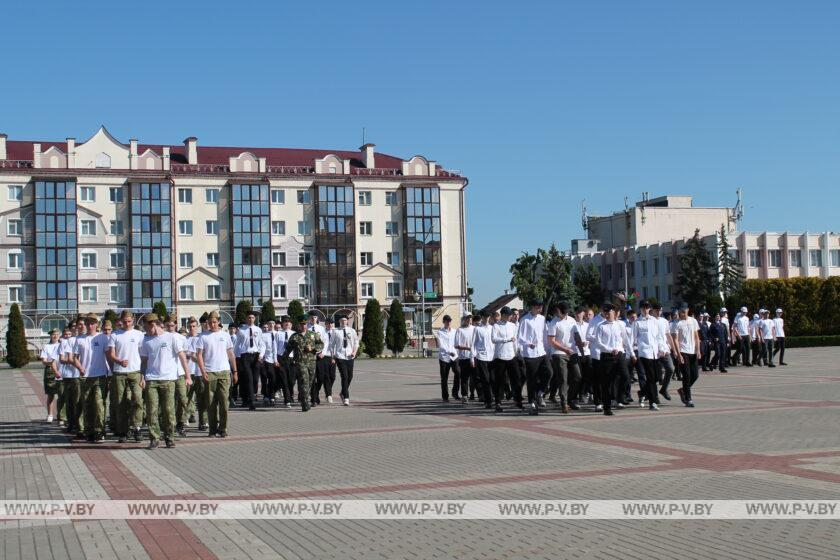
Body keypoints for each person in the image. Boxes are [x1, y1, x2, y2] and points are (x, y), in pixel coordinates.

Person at [139, 313, 191, 449]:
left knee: (168, 410)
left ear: (153, 325)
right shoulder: (146, 341)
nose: (145, 331)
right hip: (152, 380)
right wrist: (142, 377)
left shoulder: (171, 337)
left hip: (168, 379)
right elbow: (144, 361)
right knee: (151, 410)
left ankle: (169, 437)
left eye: (146, 328)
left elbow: (182, 356)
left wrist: (187, 375)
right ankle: (154, 438)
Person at [196, 311, 238, 437]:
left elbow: (231, 354)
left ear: (219, 322)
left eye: (214, 322)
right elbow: (199, 355)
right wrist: (203, 371)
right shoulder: (203, 336)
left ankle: (223, 428)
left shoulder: (225, 335)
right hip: (210, 372)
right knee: (211, 403)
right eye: (210, 322)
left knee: (224, 403)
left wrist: (235, 371)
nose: (212, 325)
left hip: (224, 372)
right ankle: (213, 429)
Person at [71, 314, 111, 443]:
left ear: (96, 324)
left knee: (99, 405)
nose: (90, 325)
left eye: (92, 323)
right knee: (87, 405)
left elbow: (108, 356)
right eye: (88, 323)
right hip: (85, 377)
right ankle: (89, 431)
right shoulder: (80, 339)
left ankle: (100, 431)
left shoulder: (103, 338)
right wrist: (80, 368)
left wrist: (111, 372)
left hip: (100, 376)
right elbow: (74, 358)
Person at [106, 310, 145, 443]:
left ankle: (137, 427)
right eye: (124, 321)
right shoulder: (115, 335)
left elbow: (143, 355)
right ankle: (123, 431)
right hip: (119, 373)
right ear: (121, 321)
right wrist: (119, 361)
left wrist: (143, 374)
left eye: (129, 321)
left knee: (138, 399)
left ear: (133, 320)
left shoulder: (139, 334)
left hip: (135, 372)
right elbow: (111, 355)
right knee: (120, 403)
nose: (127, 323)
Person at [593, 303, 633, 416]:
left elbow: (625, 340)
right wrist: (610, 349)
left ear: (614, 313)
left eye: (609, 312)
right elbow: (598, 342)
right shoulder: (601, 326)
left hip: (619, 354)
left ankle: (619, 397)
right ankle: (607, 408)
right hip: (607, 356)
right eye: (605, 313)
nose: (606, 314)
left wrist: (631, 353)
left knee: (625, 376)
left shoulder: (620, 325)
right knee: (606, 383)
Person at [517, 300, 552, 415]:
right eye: (538, 307)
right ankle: (532, 401)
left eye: (541, 307)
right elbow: (519, 338)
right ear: (532, 307)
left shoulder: (542, 319)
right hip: (530, 353)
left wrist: (548, 351)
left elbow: (545, 335)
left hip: (541, 352)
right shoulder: (524, 320)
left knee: (549, 372)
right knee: (531, 379)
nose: (540, 309)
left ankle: (541, 392)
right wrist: (528, 343)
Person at [283, 315, 323, 411]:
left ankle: (303, 396)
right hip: (300, 362)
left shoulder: (313, 334)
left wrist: (314, 349)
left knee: (309, 382)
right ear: (298, 325)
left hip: (312, 362)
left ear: (307, 324)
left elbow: (321, 344)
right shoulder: (295, 336)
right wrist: (284, 359)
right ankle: (305, 403)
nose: (303, 326)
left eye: (305, 324)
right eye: (301, 324)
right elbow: (288, 349)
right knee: (305, 381)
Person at [546, 302, 577, 413]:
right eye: (561, 312)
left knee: (577, 377)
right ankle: (564, 404)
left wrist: (581, 348)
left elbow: (576, 336)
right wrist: (564, 349)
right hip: (559, 353)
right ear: (557, 310)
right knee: (563, 379)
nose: (563, 314)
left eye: (565, 312)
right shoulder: (553, 323)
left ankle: (570, 399)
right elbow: (551, 341)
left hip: (572, 352)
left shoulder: (572, 320)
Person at [632, 300, 661, 411]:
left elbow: (658, 336)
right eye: (643, 307)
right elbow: (633, 339)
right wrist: (633, 353)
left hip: (655, 353)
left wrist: (662, 348)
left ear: (650, 308)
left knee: (656, 377)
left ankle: (642, 392)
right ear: (640, 309)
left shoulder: (654, 321)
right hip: (644, 352)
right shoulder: (637, 322)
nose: (645, 309)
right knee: (651, 377)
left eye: (647, 307)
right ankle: (653, 402)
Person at [165, 316, 191, 435]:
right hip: (168, 374)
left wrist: (187, 374)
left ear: (176, 325)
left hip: (180, 373)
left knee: (182, 399)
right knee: (168, 401)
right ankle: (169, 424)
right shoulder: (163, 337)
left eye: (172, 325)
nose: (170, 327)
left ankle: (181, 422)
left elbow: (186, 355)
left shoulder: (181, 338)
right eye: (168, 325)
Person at [492, 307, 521, 412]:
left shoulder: (513, 326)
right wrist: (507, 339)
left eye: (511, 315)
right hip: (500, 356)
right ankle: (498, 403)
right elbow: (494, 339)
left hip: (511, 355)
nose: (510, 317)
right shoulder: (496, 326)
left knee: (516, 379)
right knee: (499, 381)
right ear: (503, 315)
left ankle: (518, 401)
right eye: (509, 315)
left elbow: (516, 340)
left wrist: (517, 351)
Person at [234, 311, 263, 410]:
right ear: (247, 319)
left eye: (252, 317)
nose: (251, 319)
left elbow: (261, 344)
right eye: (249, 317)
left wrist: (261, 355)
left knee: (255, 379)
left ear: (255, 319)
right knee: (249, 379)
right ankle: (251, 402)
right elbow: (237, 345)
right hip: (245, 356)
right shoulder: (241, 330)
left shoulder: (258, 330)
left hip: (255, 356)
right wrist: (237, 357)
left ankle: (252, 394)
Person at [673, 306, 701, 407]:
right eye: (681, 312)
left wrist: (698, 350)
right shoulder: (676, 323)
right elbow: (675, 339)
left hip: (692, 351)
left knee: (695, 375)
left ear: (688, 311)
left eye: (684, 312)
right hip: (683, 351)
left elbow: (696, 337)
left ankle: (682, 390)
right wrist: (678, 354)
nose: (682, 314)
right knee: (687, 376)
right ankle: (688, 399)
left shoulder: (693, 321)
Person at [59, 321, 84, 436]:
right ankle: (71, 423)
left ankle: (80, 426)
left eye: (77, 326)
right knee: (69, 402)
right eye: (73, 327)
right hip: (69, 375)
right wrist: (77, 364)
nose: (76, 328)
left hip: (80, 376)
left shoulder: (83, 339)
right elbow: (62, 359)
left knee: (78, 401)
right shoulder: (67, 341)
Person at [184, 317, 208, 430]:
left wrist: (194, 356)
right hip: (188, 372)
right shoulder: (184, 339)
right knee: (187, 398)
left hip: (199, 372)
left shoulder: (201, 338)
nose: (191, 328)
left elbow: (203, 356)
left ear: (197, 327)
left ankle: (203, 421)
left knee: (201, 398)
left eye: (194, 326)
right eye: (190, 326)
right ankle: (185, 419)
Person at [330, 314, 358, 406]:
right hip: (340, 356)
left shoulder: (352, 331)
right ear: (339, 322)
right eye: (342, 320)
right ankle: (346, 398)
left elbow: (356, 342)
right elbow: (331, 345)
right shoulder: (335, 331)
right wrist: (333, 356)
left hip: (350, 356)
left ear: (347, 321)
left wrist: (354, 352)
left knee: (350, 376)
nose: (343, 322)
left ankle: (342, 392)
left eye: (345, 320)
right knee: (344, 376)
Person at [651, 303, 677, 402]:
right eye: (656, 310)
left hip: (665, 349)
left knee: (671, 369)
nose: (658, 312)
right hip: (653, 351)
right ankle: (652, 396)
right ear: (652, 310)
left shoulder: (664, 321)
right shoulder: (650, 321)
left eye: (660, 310)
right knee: (654, 375)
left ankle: (664, 389)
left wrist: (673, 349)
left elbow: (668, 335)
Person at [471, 311, 495, 409]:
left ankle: (492, 397)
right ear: (482, 318)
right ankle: (488, 401)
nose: (487, 319)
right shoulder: (477, 329)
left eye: (488, 317)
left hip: (492, 357)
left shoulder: (492, 328)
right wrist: (472, 357)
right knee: (485, 379)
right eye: (485, 317)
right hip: (481, 357)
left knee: (492, 379)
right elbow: (473, 344)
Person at [435, 315, 460, 402]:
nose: (448, 322)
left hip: (454, 356)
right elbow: (441, 345)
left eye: (449, 321)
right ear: (444, 322)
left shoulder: (454, 331)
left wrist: (457, 353)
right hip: (444, 357)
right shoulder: (440, 332)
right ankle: (445, 397)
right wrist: (449, 352)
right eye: (446, 321)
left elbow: (457, 343)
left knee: (458, 373)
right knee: (444, 377)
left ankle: (455, 393)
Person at [40, 329, 62, 424]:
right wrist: (51, 362)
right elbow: (43, 361)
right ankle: (50, 414)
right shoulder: (47, 346)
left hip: (62, 370)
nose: (55, 336)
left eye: (57, 334)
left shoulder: (62, 345)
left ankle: (61, 416)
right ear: (50, 336)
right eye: (53, 334)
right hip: (50, 371)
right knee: (51, 394)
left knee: (62, 394)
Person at [454, 315, 476, 401]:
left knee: (475, 377)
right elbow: (456, 345)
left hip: (474, 357)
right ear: (463, 319)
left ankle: (474, 394)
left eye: (470, 318)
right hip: (464, 357)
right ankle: (464, 395)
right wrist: (467, 348)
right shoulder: (460, 330)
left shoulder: (474, 329)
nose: (469, 320)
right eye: (467, 318)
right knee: (464, 378)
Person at [274, 315, 295, 408]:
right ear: (282, 324)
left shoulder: (294, 334)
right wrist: (275, 359)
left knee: (291, 380)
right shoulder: (278, 334)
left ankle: (290, 395)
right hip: (281, 359)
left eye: (289, 323)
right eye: (285, 323)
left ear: (291, 324)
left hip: (292, 359)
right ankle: (287, 400)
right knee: (284, 380)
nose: (287, 324)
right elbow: (275, 347)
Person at [261, 321, 278, 407]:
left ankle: (272, 395)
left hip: (275, 360)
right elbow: (262, 346)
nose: (271, 325)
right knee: (264, 378)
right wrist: (261, 356)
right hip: (265, 359)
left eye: (273, 323)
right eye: (269, 324)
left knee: (273, 379)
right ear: (267, 325)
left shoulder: (278, 334)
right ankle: (266, 396)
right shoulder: (264, 335)